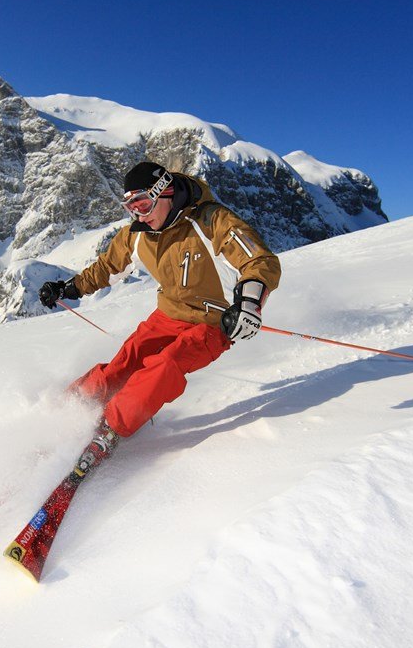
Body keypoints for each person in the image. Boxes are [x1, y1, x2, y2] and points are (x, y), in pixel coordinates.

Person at [38, 161, 281, 474]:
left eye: (143, 204)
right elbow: (106, 268)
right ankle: (64, 410)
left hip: (212, 324)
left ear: (164, 192)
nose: (139, 214)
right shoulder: (138, 235)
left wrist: (249, 303)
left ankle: (110, 428)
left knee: (165, 365)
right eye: (131, 207)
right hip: (166, 316)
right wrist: (68, 287)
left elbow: (259, 261)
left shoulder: (210, 221)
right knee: (123, 365)